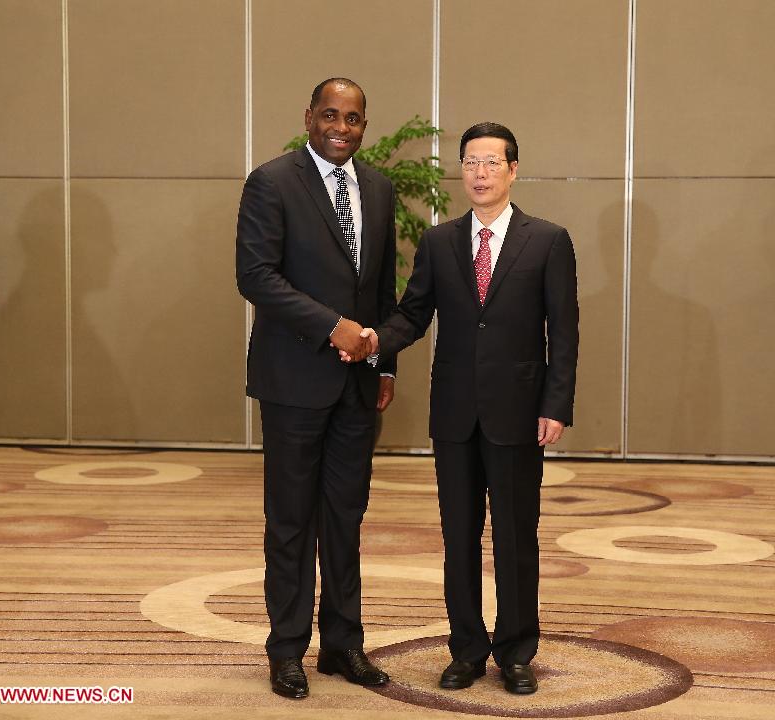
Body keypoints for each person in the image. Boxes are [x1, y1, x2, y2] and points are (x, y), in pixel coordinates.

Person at [345, 122, 578, 694]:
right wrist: (376, 342)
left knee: (517, 536)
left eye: (491, 162)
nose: (479, 172)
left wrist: (556, 403)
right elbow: (413, 314)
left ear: (513, 170)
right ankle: (467, 649)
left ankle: (517, 652)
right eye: (470, 162)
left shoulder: (547, 240)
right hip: (453, 415)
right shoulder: (440, 242)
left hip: (519, 412)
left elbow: (564, 333)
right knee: (459, 537)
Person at [235, 77, 396, 700]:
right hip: (294, 380)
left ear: (363, 124)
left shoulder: (378, 189)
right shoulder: (272, 182)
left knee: (347, 519)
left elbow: (381, 286)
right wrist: (333, 326)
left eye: (352, 118)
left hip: (358, 386)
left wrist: (384, 364)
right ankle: (286, 650)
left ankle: (342, 644)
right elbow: (255, 276)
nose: (341, 127)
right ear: (308, 116)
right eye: (330, 115)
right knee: (291, 521)